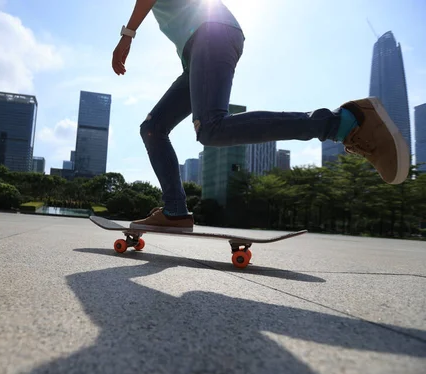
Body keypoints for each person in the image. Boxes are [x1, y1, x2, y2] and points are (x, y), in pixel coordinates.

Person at [112, 0, 411, 233]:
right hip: (201, 46)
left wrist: (127, 35)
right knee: (153, 127)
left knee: (211, 129)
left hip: (211, 32)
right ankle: (175, 210)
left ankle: (344, 122)